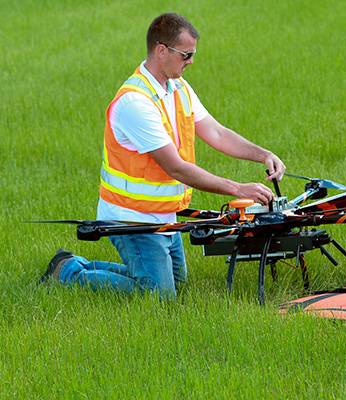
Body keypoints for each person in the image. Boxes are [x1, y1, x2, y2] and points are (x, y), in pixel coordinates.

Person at [40, 13, 286, 299]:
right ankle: (68, 272)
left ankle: (72, 263)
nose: (191, 61)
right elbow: (176, 168)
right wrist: (238, 189)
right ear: (161, 50)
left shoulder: (179, 88)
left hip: (162, 213)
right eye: (186, 54)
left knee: (176, 285)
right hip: (131, 218)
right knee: (158, 297)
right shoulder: (135, 102)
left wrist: (263, 154)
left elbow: (217, 133)